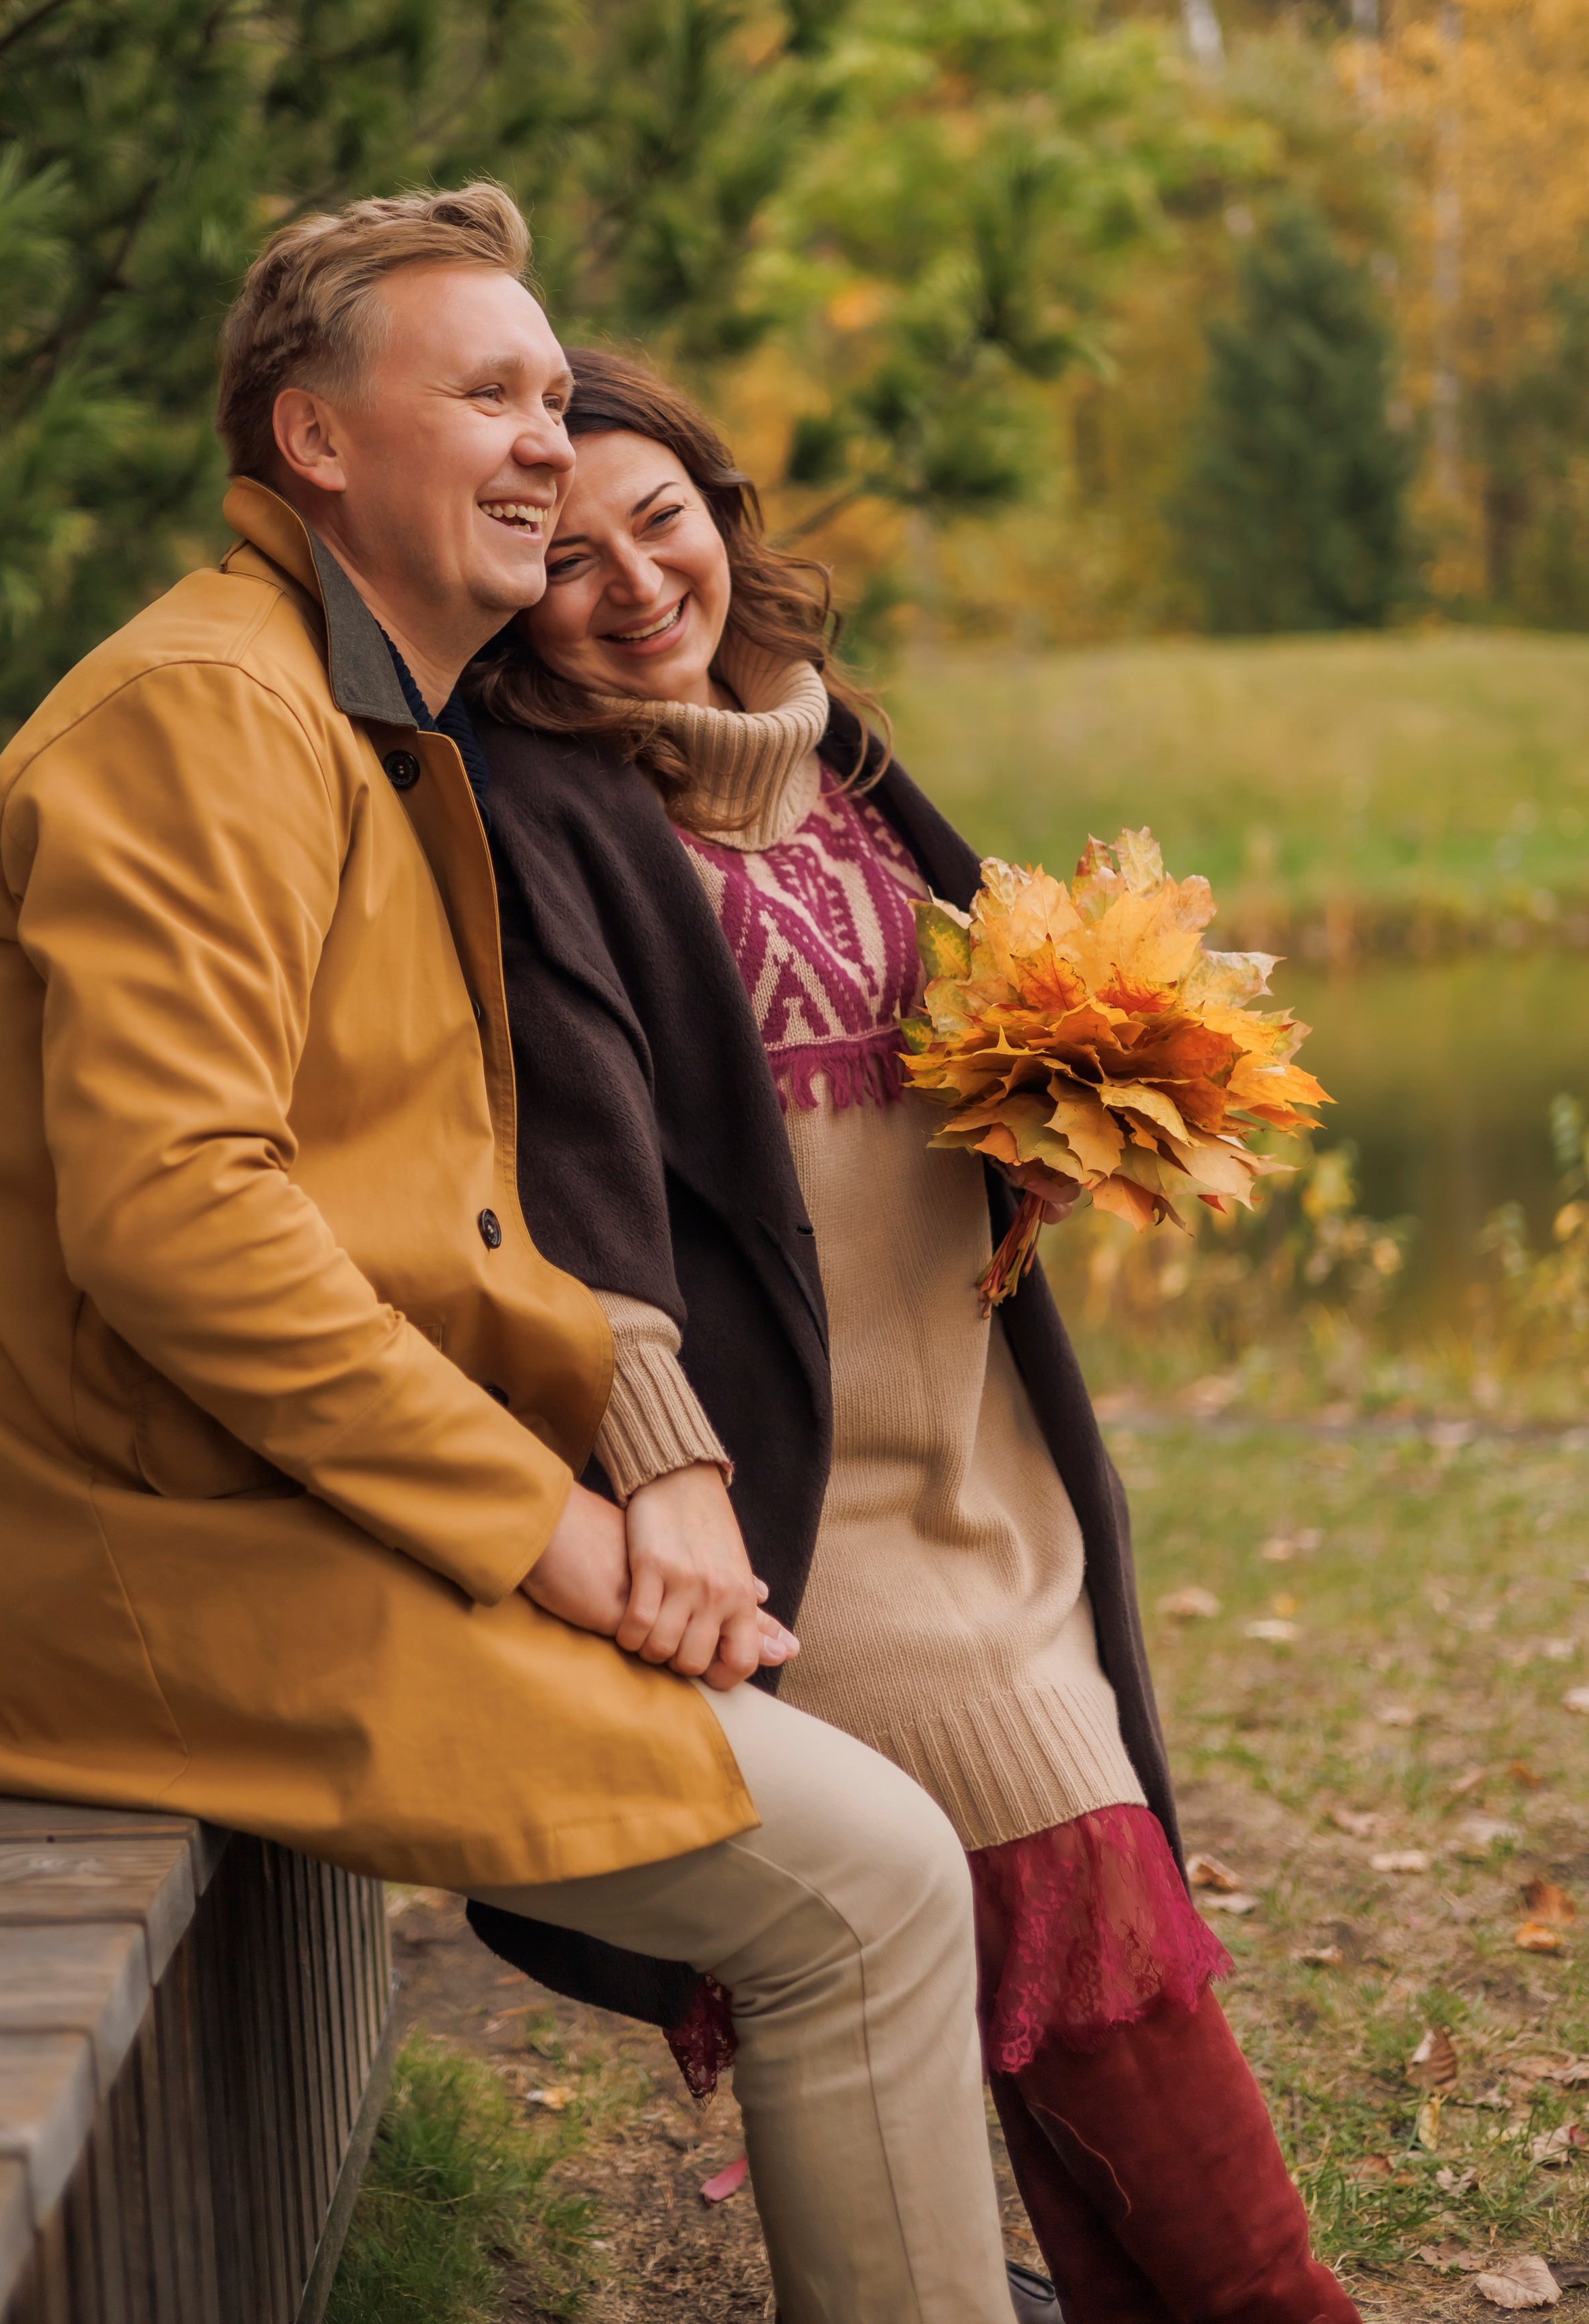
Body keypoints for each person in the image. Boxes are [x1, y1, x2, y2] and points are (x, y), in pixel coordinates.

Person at [0, 190, 1022, 2324]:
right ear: (315, 439)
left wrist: (635, 1442)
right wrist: (552, 1534)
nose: (544, 450)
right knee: (864, 1880)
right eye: (484, 392)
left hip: (275, 1512)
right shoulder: (205, 719)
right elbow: (178, 1225)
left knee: (876, 1851)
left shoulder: (369, 720)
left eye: (557, 399)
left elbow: (436, 1212)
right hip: (140, 1556)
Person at [465, 347, 1363, 2324]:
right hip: (812, 1525)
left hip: (989, 1480)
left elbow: (947, 1059)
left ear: (726, 514)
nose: (634, 583)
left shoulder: (832, 754)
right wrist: (657, 1463)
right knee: (1089, 1931)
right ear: (496, 591)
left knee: (1058, 1984)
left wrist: (1085, 1097)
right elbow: (583, 1193)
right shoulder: (538, 822)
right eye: (563, 551)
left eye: (665, 518)